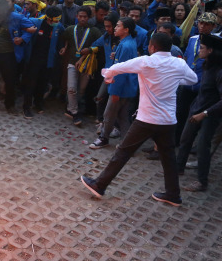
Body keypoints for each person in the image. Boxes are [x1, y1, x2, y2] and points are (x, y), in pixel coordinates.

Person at [80, 33, 198, 207]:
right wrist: (172, 80)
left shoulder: (146, 61)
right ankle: (173, 194)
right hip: (167, 121)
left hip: (147, 119)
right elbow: (193, 79)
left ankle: (99, 184)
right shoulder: (178, 63)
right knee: (169, 158)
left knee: (123, 153)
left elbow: (117, 67)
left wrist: (109, 77)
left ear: (152, 46)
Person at [176, 34, 222, 192]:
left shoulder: (219, 72)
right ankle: (179, 167)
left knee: (203, 146)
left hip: (210, 115)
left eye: (201, 48)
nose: (198, 51)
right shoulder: (206, 65)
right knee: (185, 139)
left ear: (210, 50)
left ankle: (202, 181)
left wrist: (205, 113)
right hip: (196, 108)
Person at [89, 18, 138, 149]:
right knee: (122, 117)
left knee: (109, 115)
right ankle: (127, 144)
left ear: (126, 30)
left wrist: (115, 92)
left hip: (120, 88)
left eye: (117, 26)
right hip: (127, 87)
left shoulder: (126, 46)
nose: (115, 28)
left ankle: (103, 138)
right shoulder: (127, 43)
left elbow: (121, 72)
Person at [60, 6, 101, 125]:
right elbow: (65, 39)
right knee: (71, 88)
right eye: (80, 16)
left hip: (87, 65)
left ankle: (72, 109)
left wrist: (90, 50)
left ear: (89, 17)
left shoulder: (94, 31)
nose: (82, 19)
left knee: (82, 90)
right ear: (76, 16)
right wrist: (65, 47)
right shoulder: (70, 29)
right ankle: (75, 112)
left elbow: (100, 45)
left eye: (85, 17)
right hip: (72, 63)